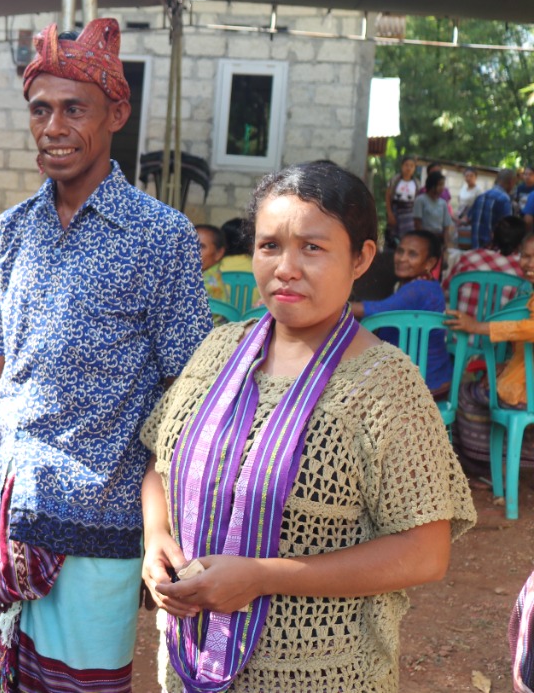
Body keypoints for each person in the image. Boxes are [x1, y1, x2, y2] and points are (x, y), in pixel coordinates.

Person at [0, 18, 210, 692]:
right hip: (8, 512)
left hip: (103, 528)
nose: (54, 126)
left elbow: (185, 397)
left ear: (116, 112)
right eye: (40, 109)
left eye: (73, 109)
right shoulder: (9, 234)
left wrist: (165, 527)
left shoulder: (162, 238)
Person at [141, 161, 475, 692]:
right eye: (269, 245)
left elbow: (426, 552)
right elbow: (161, 462)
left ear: (362, 257)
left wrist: (262, 576)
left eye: (312, 248)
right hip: (189, 657)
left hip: (321, 671)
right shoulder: (218, 352)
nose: (286, 268)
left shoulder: (385, 387)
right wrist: (156, 536)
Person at [351, 229, 450, 397]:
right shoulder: (429, 285)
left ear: (429, 263)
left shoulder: (417, 289)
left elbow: (374, 311)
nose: (402, 258)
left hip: (421, 382)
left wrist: (329, 305)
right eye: (400, 251)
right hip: (437, 376)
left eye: (412, 254)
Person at [445, 232, 534, 409]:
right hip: (522, 377)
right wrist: (507, 366)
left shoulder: (469, 257)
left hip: (525, 392)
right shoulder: (528, 293)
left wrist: (477, 327)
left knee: (464, 396)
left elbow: (529, 329)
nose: (530, 264)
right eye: (526, 256)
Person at [447, 215, 528, 318]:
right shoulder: (525, 268)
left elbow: (447, 292)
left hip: (459, 332)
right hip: (501, 333)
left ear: (492, 235)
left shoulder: (468, 258)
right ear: (522, 243)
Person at [471, 168, 516, 250]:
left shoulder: (481, 197)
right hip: (493, 251)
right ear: (511, 182)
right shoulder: (504, 199)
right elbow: (507, 229)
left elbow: (469, 219)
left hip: (476, 248)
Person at [413, 170, 454, 248]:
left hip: (439, 239)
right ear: (432, 185)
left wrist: (446, 244)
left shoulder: (443, 203)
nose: (442, 188)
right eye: (440, 185)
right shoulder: (420, 200)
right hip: (425, 239)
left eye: (443, 185)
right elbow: (417, 223)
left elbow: (446, 226)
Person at [385, 156, 418, 246]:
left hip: (409, 213)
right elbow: (387, 197)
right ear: (402, 166)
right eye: (406, 165)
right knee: (392, 237)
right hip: (395, 211)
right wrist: (390, 214)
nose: (409, 168)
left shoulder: (416, 183)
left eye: (412, 166)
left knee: (407, 237)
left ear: (414, 168)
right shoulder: (395, 180)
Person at [195, 223, 227, 302]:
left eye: (201, 246)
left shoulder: (205, 284)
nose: (193, 251)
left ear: (219, 253)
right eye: (189, 245)